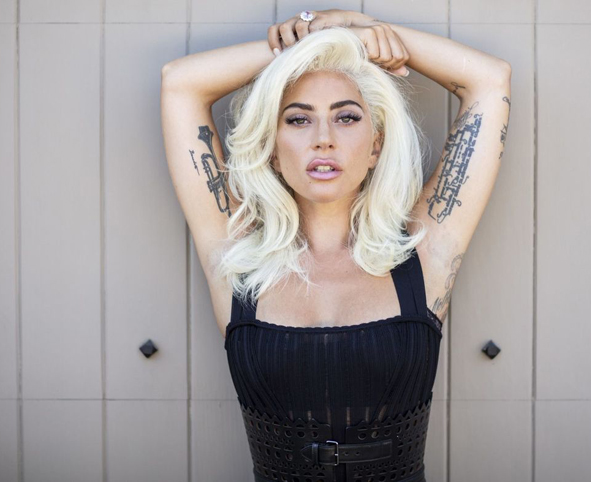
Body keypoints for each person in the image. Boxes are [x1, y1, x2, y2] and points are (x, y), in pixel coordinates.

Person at [160, 9, 511, 482]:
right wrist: (314, 43)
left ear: (375, 146)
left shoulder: (424, 254)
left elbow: (490, 80)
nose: (323, 139)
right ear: (272, 148)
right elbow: (180, 84)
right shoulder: (236, 255)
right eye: (298, 119)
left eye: (346, 117)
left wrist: (354, 31)